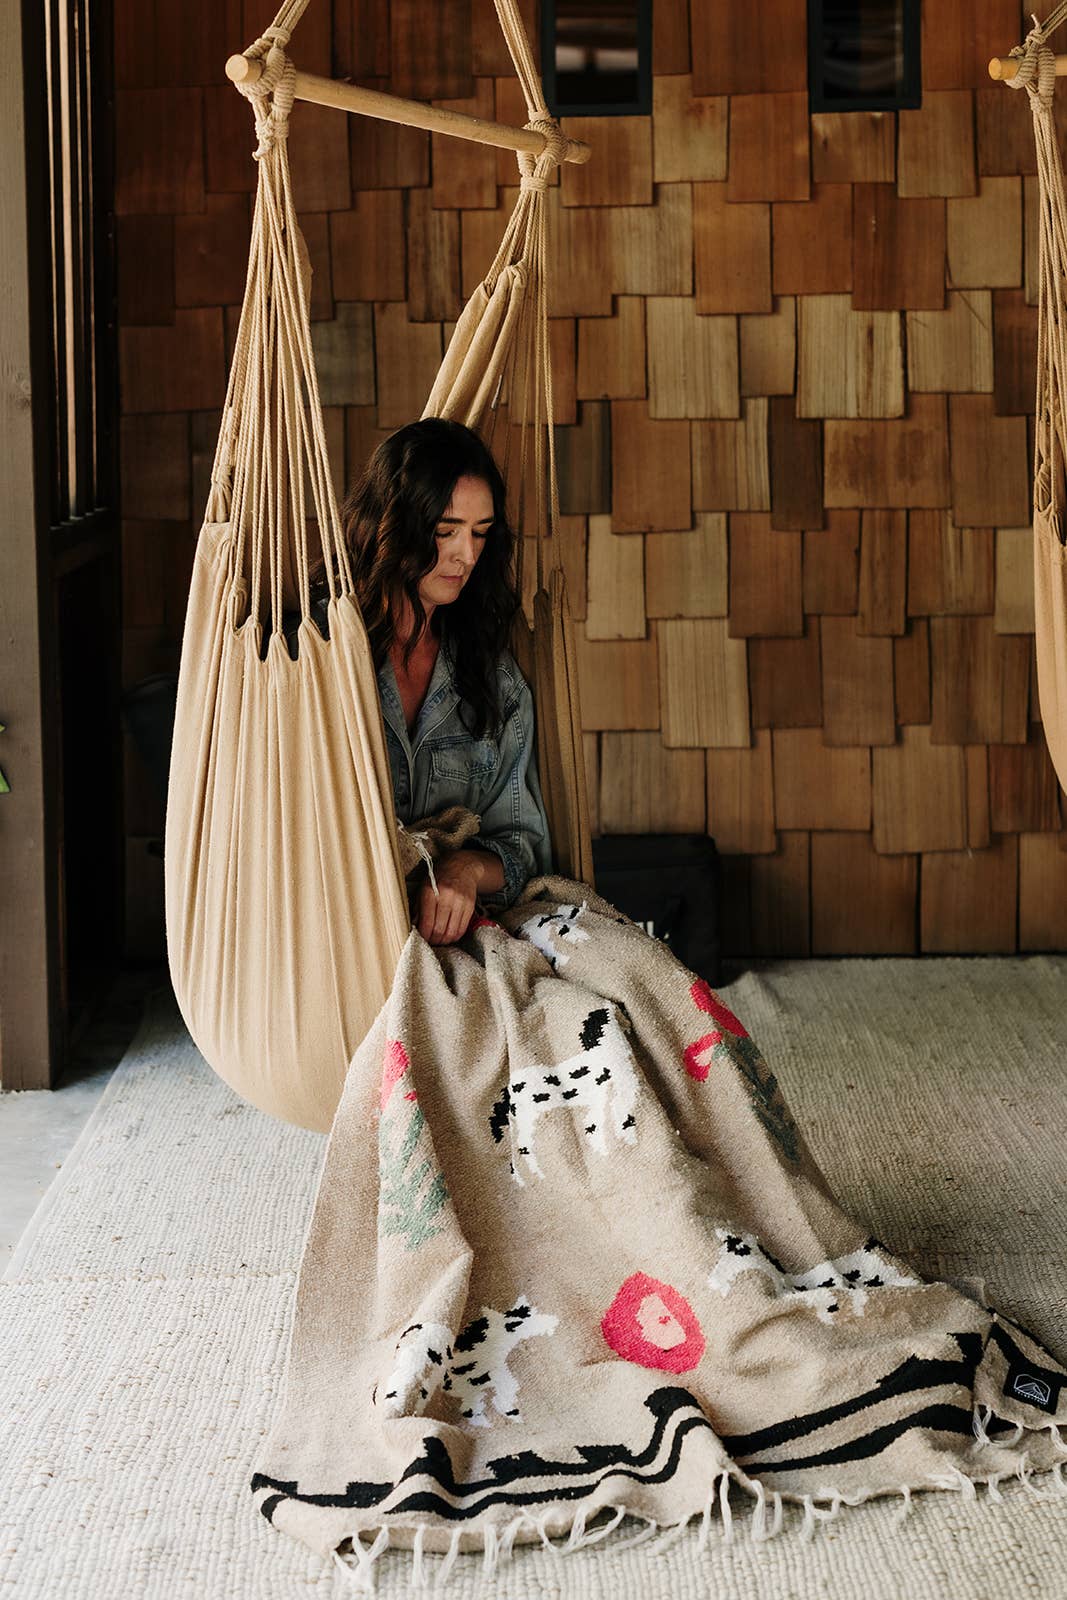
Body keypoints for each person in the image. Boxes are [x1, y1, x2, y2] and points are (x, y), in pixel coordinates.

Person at [306, 418, 553, 948]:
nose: (468, 554)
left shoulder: (495, 681)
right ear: (394, 526)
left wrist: (465, 868)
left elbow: (523, 848)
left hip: (452, 943)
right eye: (447, 531)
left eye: (480, 532)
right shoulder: (313, 660)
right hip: (332, 943)